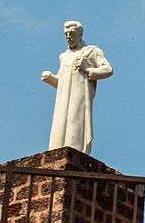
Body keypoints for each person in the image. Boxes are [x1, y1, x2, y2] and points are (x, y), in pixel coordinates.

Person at [41, 20, 113, 155]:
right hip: (63, 99)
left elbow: (108, 70)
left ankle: (74, 152)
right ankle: (56, 152)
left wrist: (87, 69)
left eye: (71, 33)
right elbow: (61, 82)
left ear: (80, 34)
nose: (68, 37)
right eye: (66, 34)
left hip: (80, 95)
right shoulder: (64, 56)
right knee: (60, 122)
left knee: (75, 120)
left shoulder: (92, 51)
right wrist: (50, 78)